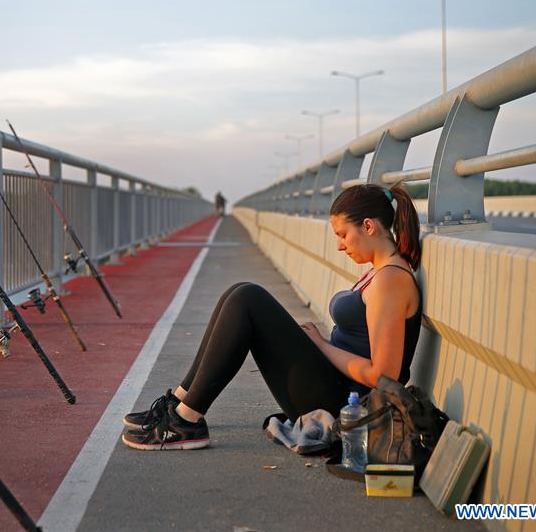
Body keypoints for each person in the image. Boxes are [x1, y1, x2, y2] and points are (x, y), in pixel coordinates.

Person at [121, 183, 422, 450]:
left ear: (368, 226)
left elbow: (385, 376)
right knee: (238, 292)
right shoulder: (379, 273)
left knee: (248, 298)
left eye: (343, 235)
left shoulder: (390, 281)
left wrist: (321, 345)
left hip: (349, 405)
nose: (340, 245)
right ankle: (180, 402)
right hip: (335, 386)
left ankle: (186, 421)